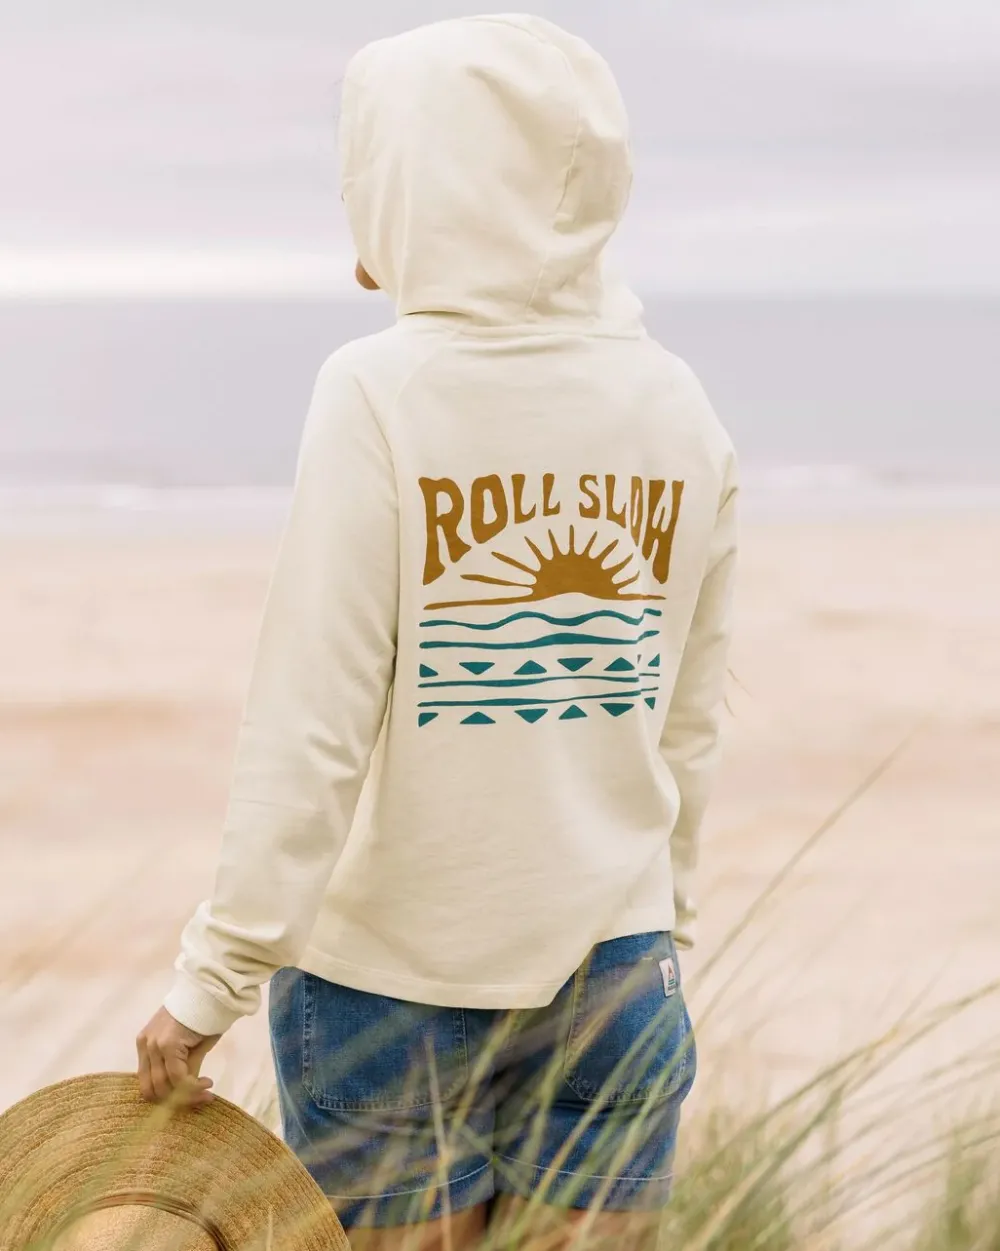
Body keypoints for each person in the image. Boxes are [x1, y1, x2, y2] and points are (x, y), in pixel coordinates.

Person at [135, 14, 737, 1251]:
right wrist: (662, 926)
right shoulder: (674, 402)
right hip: (617, 971)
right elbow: (687, 717)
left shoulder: (380, 391)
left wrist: (212, 982)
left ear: (414, 181)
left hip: (390, 989)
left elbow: (312, 720)